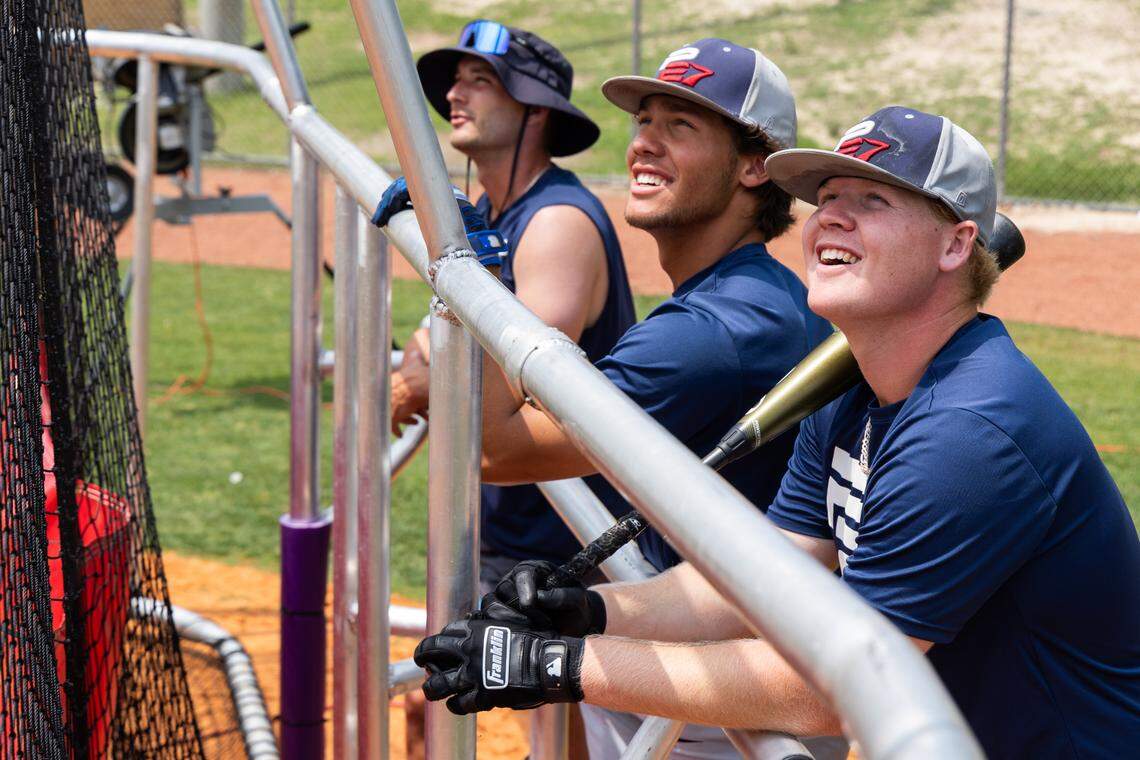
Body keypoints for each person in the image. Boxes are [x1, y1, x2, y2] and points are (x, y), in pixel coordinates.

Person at [412, 105, 1140, 758]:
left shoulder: (970, 432)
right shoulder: (853, 385)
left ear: (956, 246)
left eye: (873, 200)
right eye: (826, 200)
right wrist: (589, 611)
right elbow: (762, 576)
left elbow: (836, 686)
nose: (830, 218)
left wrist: (557, 666)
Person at [390, 37, 833, 758]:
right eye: (644, 122)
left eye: (680, 127)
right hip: (702, 653)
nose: (644, 145)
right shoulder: (746, 296)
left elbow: (491, 449)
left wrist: (469, 281)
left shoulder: (716, 329)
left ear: (755, 166)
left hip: (730, 705)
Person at [381, 20, 635, 759]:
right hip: (508, 516)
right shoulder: (493, 213)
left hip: (555, 533)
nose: (455, 93)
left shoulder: (554, 221)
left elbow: (514, 379)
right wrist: (430, 366)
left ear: (536, 107)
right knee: (438, 698)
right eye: (455, 79)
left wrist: (426, 373)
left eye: (480, 80)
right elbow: (442, 350)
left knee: (565, 729)